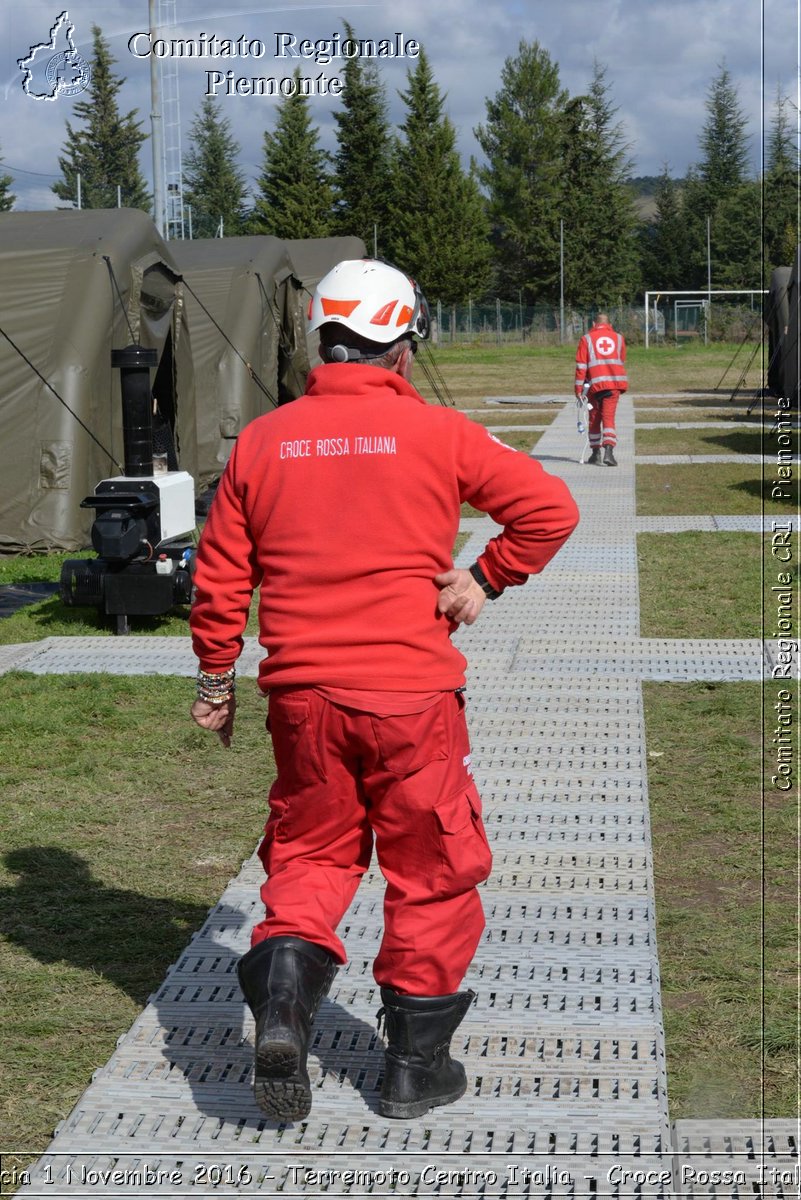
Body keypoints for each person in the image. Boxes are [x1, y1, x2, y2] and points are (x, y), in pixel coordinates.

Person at [189, 259, 579, 1124]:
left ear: (320, 342)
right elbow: (549, 509)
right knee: (432, 871)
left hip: (302, 699)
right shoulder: (440, 434)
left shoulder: (263, 439)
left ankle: (285, 990)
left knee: (309, 855)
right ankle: (413, 1065)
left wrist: (216, 679)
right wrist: (484, 576)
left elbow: (219, 576)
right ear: (403, 347)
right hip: (410, 699)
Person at [574, 313, 628, 466]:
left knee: (594, 418)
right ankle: (609, 453)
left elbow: (581, 366)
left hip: (594, 386)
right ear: (609, 323)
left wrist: (578, 389)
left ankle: (595, 453)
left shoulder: (586, 339)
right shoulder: (619, 338)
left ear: (593, 323)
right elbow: (622, 358)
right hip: (614, 385)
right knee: (609, 418)